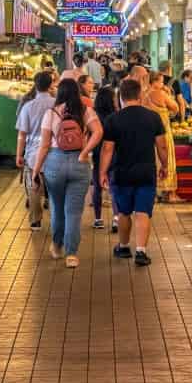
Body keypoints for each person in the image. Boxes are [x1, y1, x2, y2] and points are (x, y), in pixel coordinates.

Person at [33, 76, 103, 268]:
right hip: (79, 163)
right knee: (73, 212)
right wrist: (86, 151)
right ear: (77, 93)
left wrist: (36, 170)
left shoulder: (52, 113)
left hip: (55, 162)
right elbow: (98, 132)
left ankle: (57, 246)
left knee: (57, 207)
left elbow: (45, 145)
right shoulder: (85, 110)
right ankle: (72, 255)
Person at [99, 76, 167, 266]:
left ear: (121, 96)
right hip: (146, 172)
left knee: (123, 212)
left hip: (122, 173)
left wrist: (102, 172)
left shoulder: (113, 119)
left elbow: (107, 149)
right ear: (139, 95)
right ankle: (141, 251)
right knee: (143, 211)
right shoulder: (153, 117)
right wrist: (165, 165)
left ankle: (123, 246)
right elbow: (161, 146)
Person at [15, 69, 55, 230]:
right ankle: (56, 219)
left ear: (35, 85)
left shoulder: (28, 106)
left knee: (34, 187)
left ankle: (35, 220)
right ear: (51, 85)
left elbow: (21, 135)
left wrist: (19, 154)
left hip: (33, 154)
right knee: (54, 188)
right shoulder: (57, 104)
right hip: (54, 152)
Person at [145, 69, 182, 203]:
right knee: (168, 160)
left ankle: (153, 193)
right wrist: (169, 95)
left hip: (148, 134)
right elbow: (175, 107)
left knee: (153, 160)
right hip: (164, 131)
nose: (162, 84)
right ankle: (169, 193)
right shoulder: (161, 94)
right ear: (155, 82)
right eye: (161, 81)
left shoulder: (144, 95)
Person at [90, 70, 119, 231]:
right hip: (114, 153)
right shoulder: (116, 116)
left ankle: (98, 219)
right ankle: (115, 218)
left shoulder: (93, 115)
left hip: (97, 153)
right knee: (114, 186)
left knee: (97, 186)